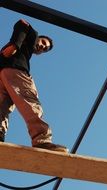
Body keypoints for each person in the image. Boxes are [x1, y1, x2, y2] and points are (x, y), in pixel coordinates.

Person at [0, 19, 68, 153]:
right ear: (37, 38)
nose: (43, 47)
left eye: (45, 48)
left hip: (3, 74)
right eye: (43, 42)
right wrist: (15, 43)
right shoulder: (31, 35)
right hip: (16, 71)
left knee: (1, 107)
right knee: (30, 102)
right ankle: (42, 140)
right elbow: (23, 23)